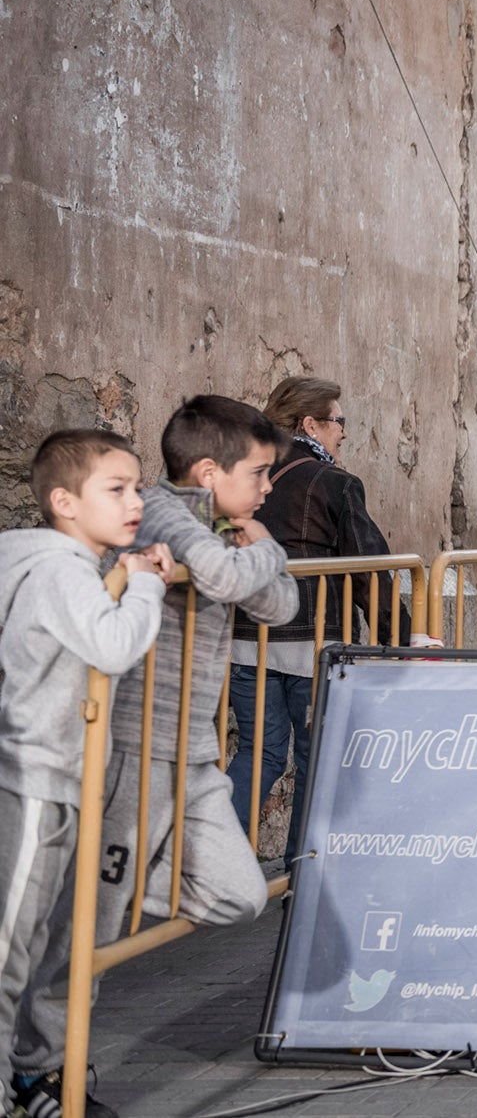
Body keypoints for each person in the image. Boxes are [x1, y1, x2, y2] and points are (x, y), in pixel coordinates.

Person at [20, 399, 298, 1099]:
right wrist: (264, 548)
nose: (268, 489)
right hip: (132, 750)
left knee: (240, 896)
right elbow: (238, 581)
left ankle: (128, 870)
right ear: (209, 471)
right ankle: (42, 1065)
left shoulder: (220, 527)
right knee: (84, 935)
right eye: (260, 473)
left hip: (193, 753)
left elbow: (282, 606)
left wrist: (253, 552)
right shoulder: (165, 511)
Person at [0, 431, 171, 1118]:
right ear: (64, 501)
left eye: (137, 487)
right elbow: (113, 641)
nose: (135, 502)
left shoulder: (41, 559)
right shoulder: (65, 570)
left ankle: (30, 1082)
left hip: (47, 773)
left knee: (35, 941)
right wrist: (150, 584)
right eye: (117, 489)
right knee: (13, 948)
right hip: (35, 775)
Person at [227, 377, 411, 859]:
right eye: (338, 421)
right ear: (310, 423)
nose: (344, 433)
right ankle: (303, 869)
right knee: (318, 759)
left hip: (248, 642)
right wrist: (403, 642)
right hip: (314, 648)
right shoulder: (336, 484)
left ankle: (202, 860)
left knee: (258, 753)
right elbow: (372, 574)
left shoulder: (244, 480)